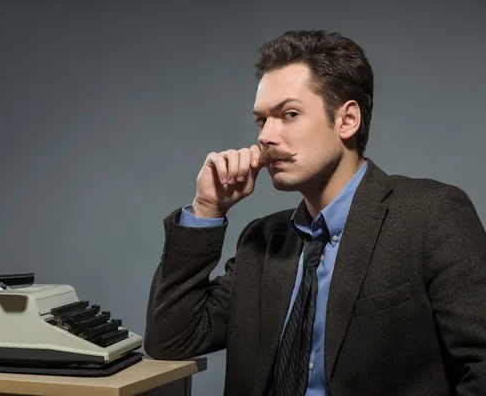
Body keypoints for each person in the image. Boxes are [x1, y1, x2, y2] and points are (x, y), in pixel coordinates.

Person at [144, 30, 486, 395]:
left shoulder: (431, 215)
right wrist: (207, 209)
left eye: (288, 114)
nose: (266, 136)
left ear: (347, 120)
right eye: (261, 120)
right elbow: (172, 339)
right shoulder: (261, 242)